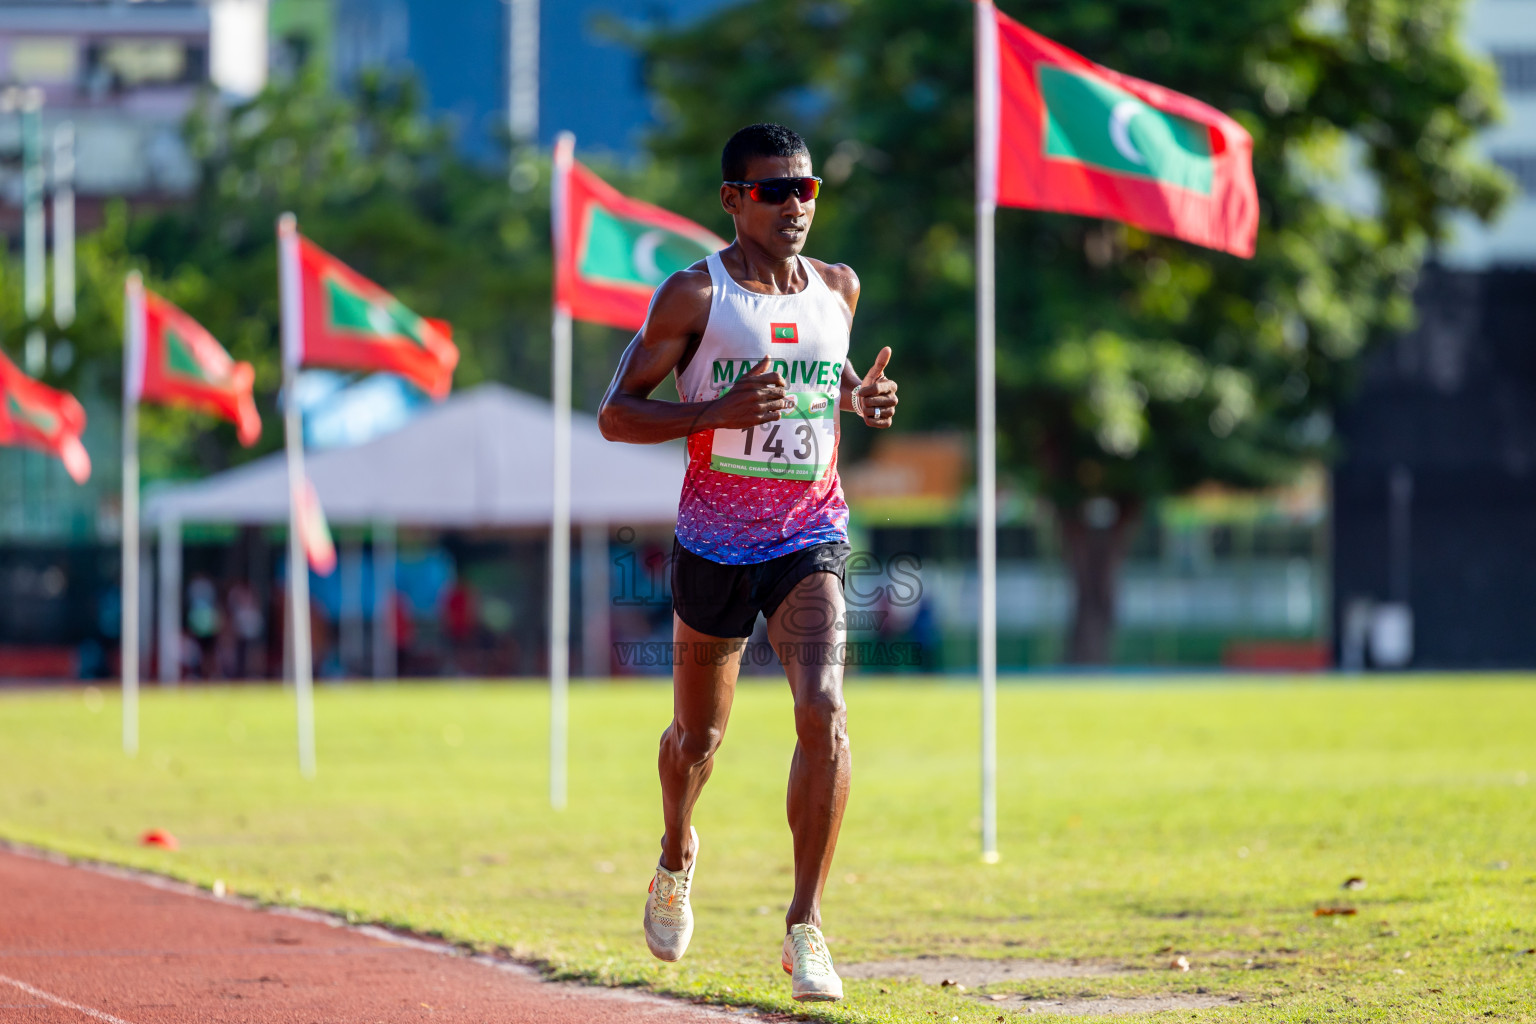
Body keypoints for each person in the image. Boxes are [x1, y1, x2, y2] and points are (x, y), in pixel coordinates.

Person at [597, 122, 898, 1002]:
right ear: (733, 200)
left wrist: (861, 397)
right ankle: (676, 852)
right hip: (714, 541)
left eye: (806, 190)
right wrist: (714, 413)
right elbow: (617, 415)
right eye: (774, 191)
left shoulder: (838, 289)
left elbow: (819, 375)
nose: (795, 206)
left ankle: (805, 926)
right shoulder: (693, 296)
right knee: (699, 738)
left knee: (826, 711)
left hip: (809, 533)